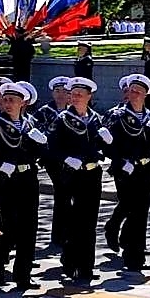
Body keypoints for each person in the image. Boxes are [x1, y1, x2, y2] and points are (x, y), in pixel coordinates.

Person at [47, 77, 112, 283]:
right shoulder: (62, 119)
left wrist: (109, 142)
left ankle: (86, 266)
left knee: (89, 221)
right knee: (75, 221)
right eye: (73, 94)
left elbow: (105, 148)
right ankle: (70, 261)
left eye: (79, 94)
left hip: (92, 174)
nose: (75, 98)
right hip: (73, 174)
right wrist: (66, 158)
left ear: (88, 97)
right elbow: (52, 147)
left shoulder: (96, 119)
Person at [0, 83, 47, 291]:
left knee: (29, 227)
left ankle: (23, 275)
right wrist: (1, 167)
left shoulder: (30, 124)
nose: (8, 104)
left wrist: (42, 143)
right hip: (6, 181)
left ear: (23, 103)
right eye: (5, 99)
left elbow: (41, 152)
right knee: (8, 226)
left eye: (13, 100)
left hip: (27, 178)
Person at [103, 74, 150, 272]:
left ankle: (134, 247)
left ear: (145, 95)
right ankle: (132, 254)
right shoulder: (117, 115)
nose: (134, 94)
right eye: (132, 90)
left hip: (145, 167)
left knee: (142, 210)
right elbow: (108, 145)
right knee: (130, 207)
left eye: (138, 91)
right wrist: (120, 161)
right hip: (125, 168)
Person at [34, 76, 71, 248]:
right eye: (57, 91)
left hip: (72, 160)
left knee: (68, 195)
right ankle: (58, 236)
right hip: (53, 160)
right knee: (62, 193)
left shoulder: (74, 111)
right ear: (52, 93)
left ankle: (66, 232)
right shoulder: (44, 112)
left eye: (65, 91)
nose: (61, 95)